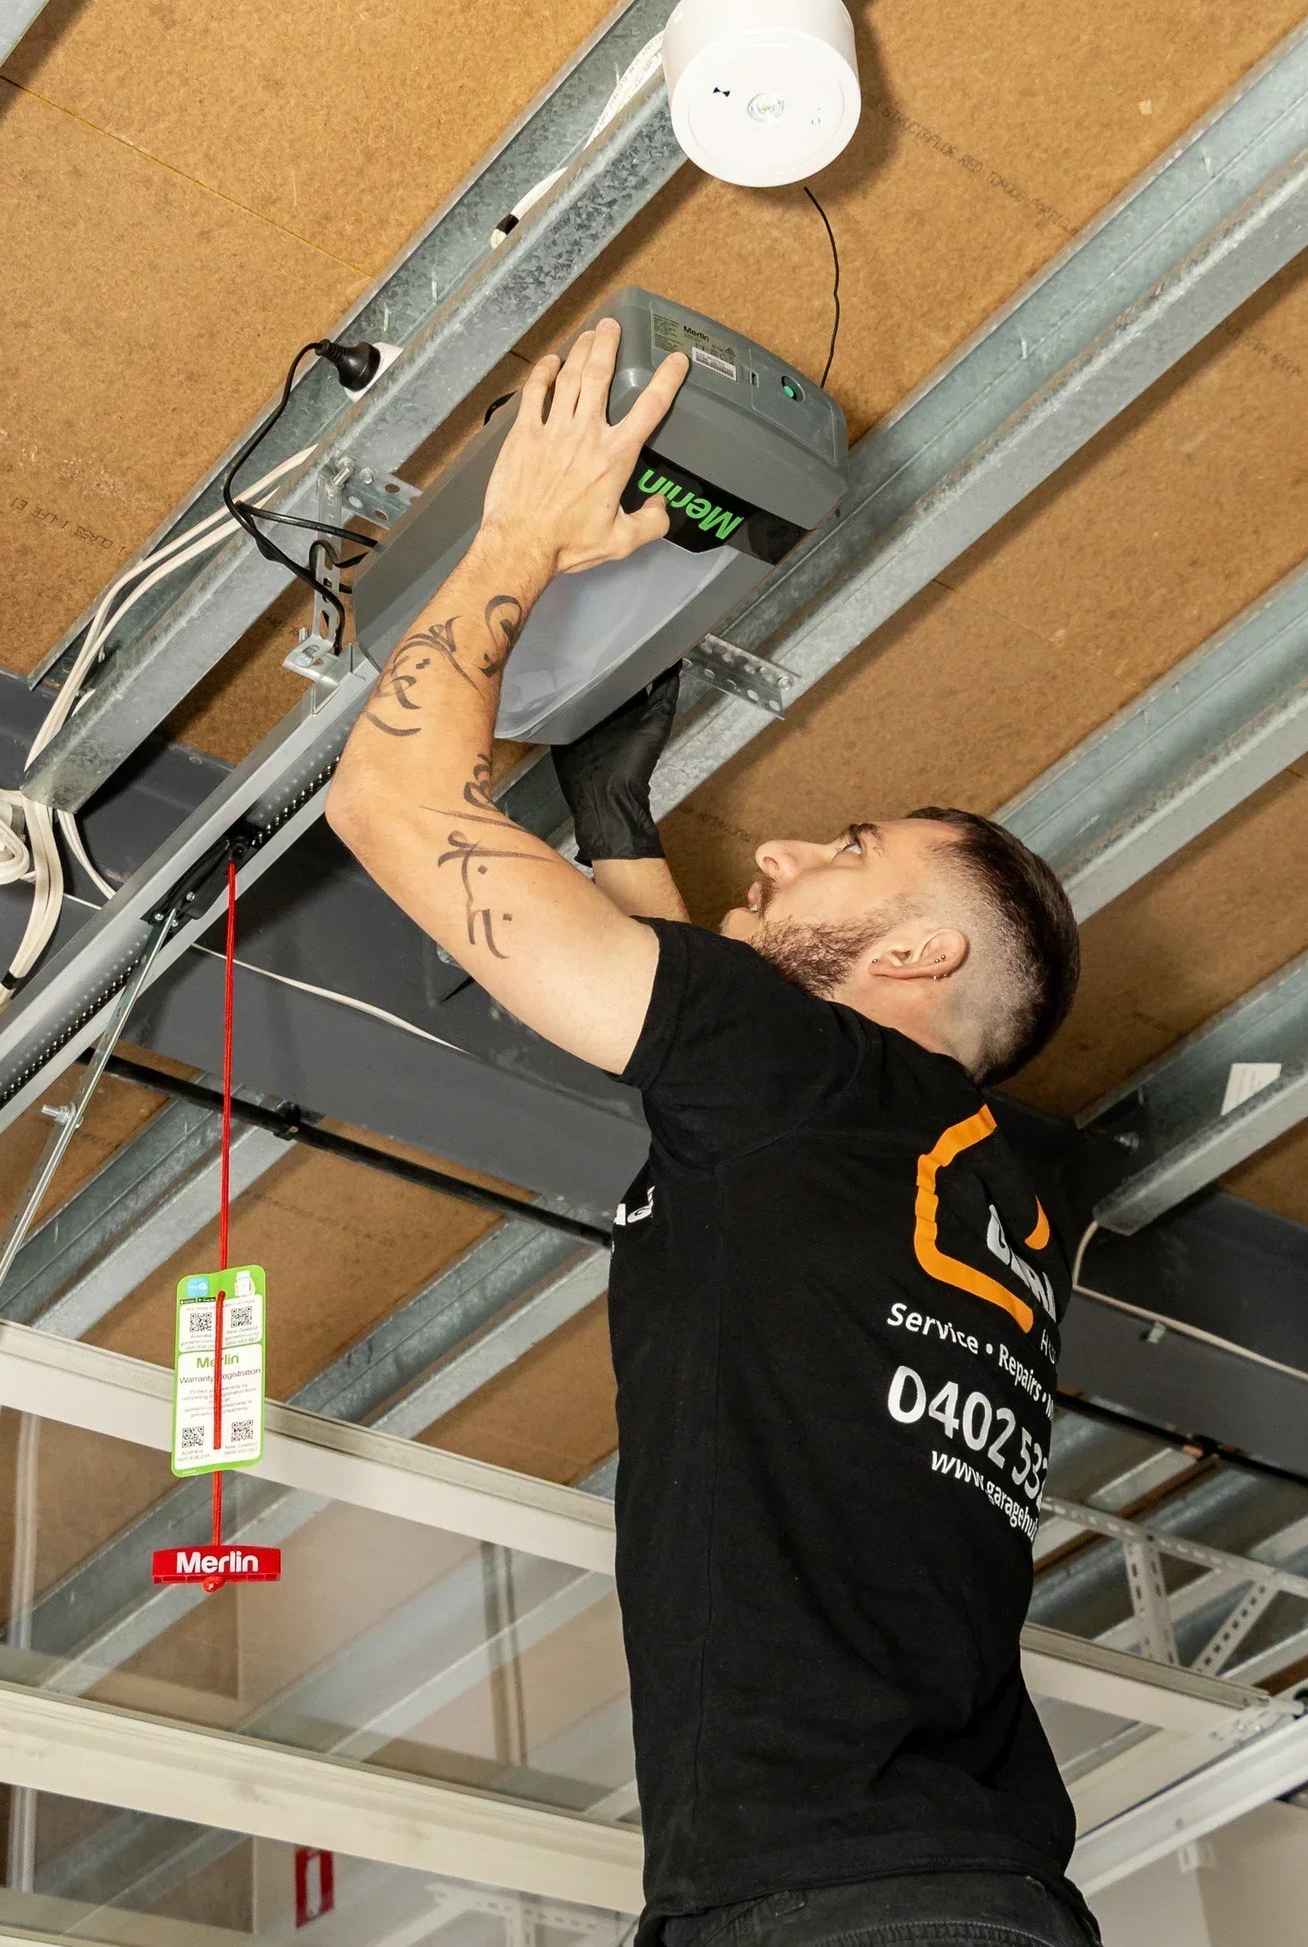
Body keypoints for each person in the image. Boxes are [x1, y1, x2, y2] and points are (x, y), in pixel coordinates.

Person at [326, 319, 1096, 1947]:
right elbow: (726, 1089)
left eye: (853, 848)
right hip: (898, 1901)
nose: (795, 844)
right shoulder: (991, 1201)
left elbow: (391, 808)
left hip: (846, 1909)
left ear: (919, 957)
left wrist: (521, 538)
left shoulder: (828, 1105)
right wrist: (614, 830)